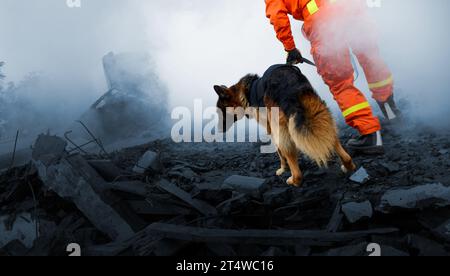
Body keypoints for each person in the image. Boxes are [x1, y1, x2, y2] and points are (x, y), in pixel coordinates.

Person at [265, 0, 401, 153]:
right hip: (352, 10)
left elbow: (277, 16)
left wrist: (290, 48)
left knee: (340, 81)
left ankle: (371, 135)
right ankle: (391, 111)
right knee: (371, 60)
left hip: (323, 20)